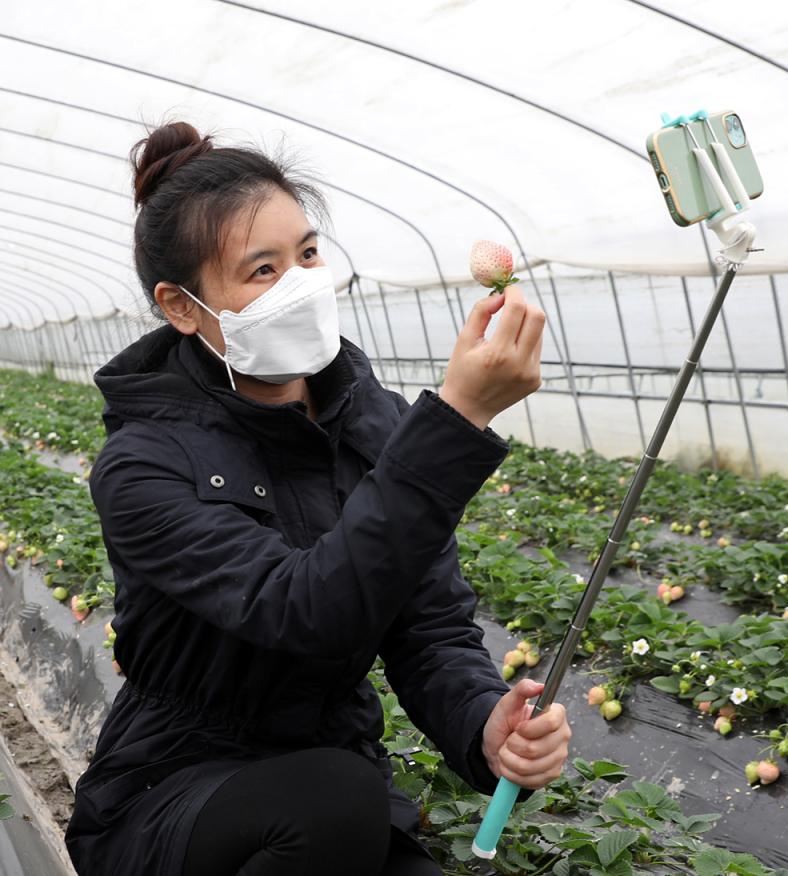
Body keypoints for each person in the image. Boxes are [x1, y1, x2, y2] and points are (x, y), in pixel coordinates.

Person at [64, 120, 571, 876]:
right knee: (337, 796)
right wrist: (458, 419)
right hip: (175, 789)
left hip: (332, 786)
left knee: (343, 799)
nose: (302, 281)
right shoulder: (142, 466)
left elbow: (428, 628)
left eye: (306, 253)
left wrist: (482, 727)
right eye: (262, 270)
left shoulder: (376, 423)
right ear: (181, 306)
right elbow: (303, 610)